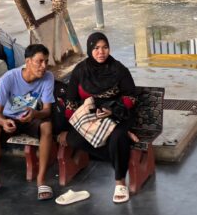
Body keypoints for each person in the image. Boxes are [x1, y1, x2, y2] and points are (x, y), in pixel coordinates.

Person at [59, 32, 140, 203]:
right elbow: (71, 100)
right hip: (91, 117)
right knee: (73, 139)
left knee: (117, 136)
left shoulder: (119, 70)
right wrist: (70, 123)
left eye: (105, 48)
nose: (101, 52)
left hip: (118, 114)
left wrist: (112, 110)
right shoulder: (81, 70)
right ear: (90, 49)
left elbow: (131, 97)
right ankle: (119, 155)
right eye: (96, 48)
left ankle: (120, 182)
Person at [0, 43, 56, 202]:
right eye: (39, 61)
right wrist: (4, 122)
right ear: (28, 61)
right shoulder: (9, 78)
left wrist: (36, 113)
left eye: (46, 61)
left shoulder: (48, 77)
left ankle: (41, 179)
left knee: (47, 126)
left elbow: (47, 110)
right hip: (9, 118)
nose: (44, 66)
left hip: (32, 117)